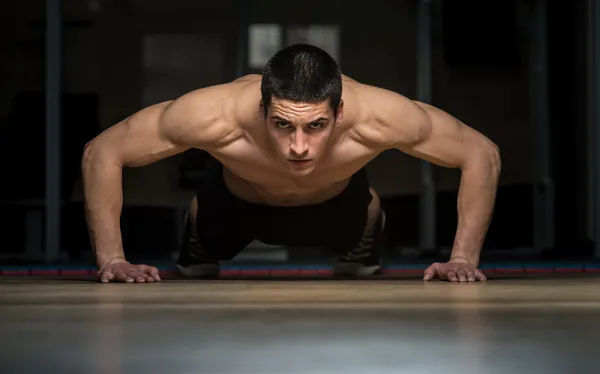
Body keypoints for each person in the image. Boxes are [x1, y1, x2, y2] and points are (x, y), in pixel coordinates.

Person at [82, 43, 499, 284]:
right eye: (282, 124)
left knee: (360, 247)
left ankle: (370, 226)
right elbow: (102, 151)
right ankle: (196, 228)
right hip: (235, 205)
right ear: (262, 109)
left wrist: (462, 259)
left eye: (316, 125)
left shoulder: (381, 115)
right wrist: (112, 259)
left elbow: (480, 152)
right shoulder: (213, 114)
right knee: (200, 266)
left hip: (338, 208)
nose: (298, 146)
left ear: (339, 113)